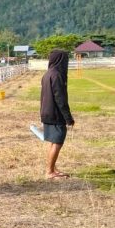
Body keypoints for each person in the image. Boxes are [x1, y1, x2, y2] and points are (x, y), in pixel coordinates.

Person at [41, 49, 75, 179]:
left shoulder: (47, 74)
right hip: (55, 114)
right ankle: (49, 172)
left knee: (52, 141)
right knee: (58, 142)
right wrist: (68, 118)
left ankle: (52, 168)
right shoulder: (57, 75)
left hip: (46, 113)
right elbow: (60, 99)